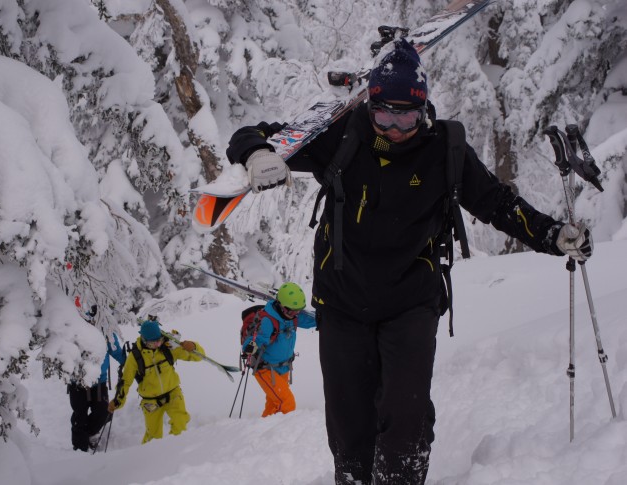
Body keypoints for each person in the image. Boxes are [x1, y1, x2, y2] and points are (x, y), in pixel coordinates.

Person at [226, 39, 593, 484]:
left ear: (424, 109)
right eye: (384, 115)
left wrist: (552, 235)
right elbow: (253, 134)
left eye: (407, 116)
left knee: (405, 417)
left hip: (410, 301)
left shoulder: (445, 148)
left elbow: (496, 204)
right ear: (370, 105)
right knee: (349, 424)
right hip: (342, 304)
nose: (396, 127)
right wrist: (257, 154)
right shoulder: (341, 134)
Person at [108, 319, 204, 443]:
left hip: (173, 394)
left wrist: (193, 346)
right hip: (150, 402)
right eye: (153, 343)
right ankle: (148, 458)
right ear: (144, 340)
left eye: (159, 341)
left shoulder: (167, 348)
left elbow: (198, 356)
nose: (158, 345)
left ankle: (177, 453)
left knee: (180, 425)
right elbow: (125, 381)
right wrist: (117, 401)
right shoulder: (135, 357)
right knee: (153, 436)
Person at [242, 282, 317, 417]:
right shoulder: (268, 321)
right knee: (287, 403)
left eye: (298, 310)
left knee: (273, 405)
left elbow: (311, 320)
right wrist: (249, 346)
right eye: (292, 310)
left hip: (283, 368)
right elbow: (257, 339)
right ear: (281, 306)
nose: (295, 314)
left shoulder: (292, 317)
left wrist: (326, 317)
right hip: (265, 369)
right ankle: (284, 436)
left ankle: (264, 431)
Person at [68, 304, 126, 452]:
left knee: (103, 412)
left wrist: (130, 362)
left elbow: (117, 352)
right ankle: (80, 448)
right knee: (79, 417)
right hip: (77, 383)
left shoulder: (105, 331)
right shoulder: (73, 332)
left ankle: (89, 435)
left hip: (99, 382)